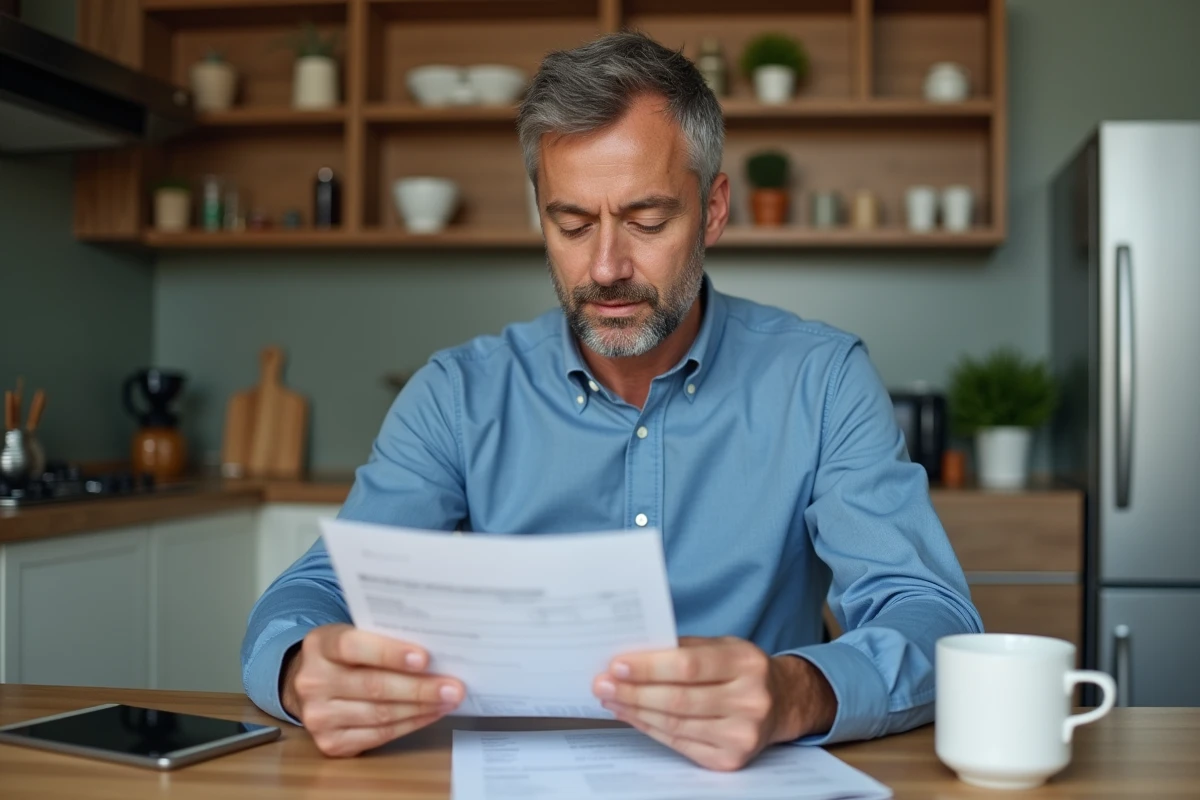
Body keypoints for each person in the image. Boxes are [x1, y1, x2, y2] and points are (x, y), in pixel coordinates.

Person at [240, 31, 982, 772]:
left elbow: (931, 615)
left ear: (714, 210)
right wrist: (302, 670)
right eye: (571, 223)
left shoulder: (822, 380)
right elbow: (312, 592)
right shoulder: (458, 395)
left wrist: (797, 692)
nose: (605, 266)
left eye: (646, 221)